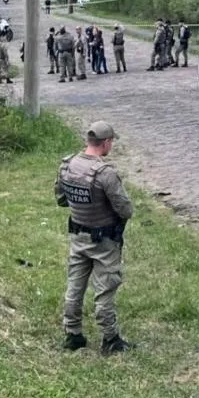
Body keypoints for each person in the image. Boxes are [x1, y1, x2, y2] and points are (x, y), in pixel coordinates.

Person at [54, 121, 134, 355]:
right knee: (105, 290)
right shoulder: (105, 174)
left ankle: (73, 334)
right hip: (104, 241)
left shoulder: (67, 166)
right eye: (112, 142)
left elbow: (61, 199)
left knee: (75, 286)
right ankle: (110, 339)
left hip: (78, 235)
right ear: (106, 142)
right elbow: (126, 210)